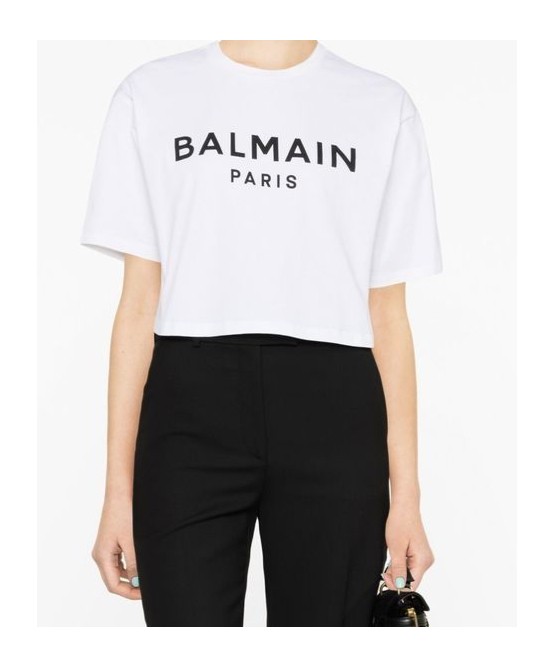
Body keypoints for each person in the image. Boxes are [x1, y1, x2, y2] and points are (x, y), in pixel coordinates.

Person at [82, 40, 442, 627]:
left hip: (335, 411)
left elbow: (388, 316)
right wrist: (117, 493)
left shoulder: (381, 106)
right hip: (188, 409)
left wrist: (407, 498)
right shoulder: (150, 95)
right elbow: (139, 302)